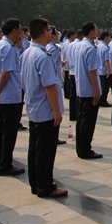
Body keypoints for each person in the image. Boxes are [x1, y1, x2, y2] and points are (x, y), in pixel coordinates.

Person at [20, 18, 68, 197]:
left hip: (34, 107)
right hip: (45, 110)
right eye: (48, 30)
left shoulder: (27, 53)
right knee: (45, 151)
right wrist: (56, 111)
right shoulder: (43, 56)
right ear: (43, 32)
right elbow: (49, 86)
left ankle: (36, 183)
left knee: (35, 148)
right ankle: (45, 186)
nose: (50, 33)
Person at [0, 18, 25, 176]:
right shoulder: (9, 48)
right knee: (9, 133)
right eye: (20, 29)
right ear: (14, 30)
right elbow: (6, 73)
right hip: (10, 96)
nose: (21, 33)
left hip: (2, 97)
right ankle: (5, 165)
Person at [74, 22, 103, 160]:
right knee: (88, 123)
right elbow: (92, 72)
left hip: (81, 89)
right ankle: (85, 149)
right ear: (91, 32)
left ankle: (81, 148)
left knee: (82, 121)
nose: (97, 31)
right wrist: (96, 91)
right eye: (96, 29)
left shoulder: (79, 45)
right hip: (89, 90)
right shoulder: (90, 48)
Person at [46, 28, 67, 145]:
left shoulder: (50, 47)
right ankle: (54, 137)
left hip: (54, 81)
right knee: (55, 111)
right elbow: (52, 67)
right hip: (54, 82)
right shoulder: (52, 49)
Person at [97, 31, 112, 108]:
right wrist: (108, 71)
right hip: (104, 70)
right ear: (105, 37)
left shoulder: (98, 46)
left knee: (101, 86)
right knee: (105, 88)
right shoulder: (106, 48)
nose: (110, 39)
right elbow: (107, 60)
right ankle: (103, 101)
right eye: (109, 37)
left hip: (99, 69)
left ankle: (100, 100)